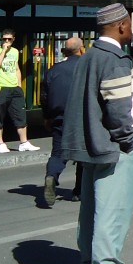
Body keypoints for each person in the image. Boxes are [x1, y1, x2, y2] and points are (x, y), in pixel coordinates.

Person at [60, 3, 133, 264]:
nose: (132, 30)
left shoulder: (89, 57)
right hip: (112, 147)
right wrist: (128, 141)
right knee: (113, 210)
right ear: (121, 26)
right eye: (132, 24)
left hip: (88, 146)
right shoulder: (116, 59)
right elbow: (119, 111)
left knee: (91, 209)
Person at [42, 37, 85, 207]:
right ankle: (78, 191)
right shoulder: (87, 68)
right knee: (82, 155)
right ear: (81, 49)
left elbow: (44, 97)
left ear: (64, 52)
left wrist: (47, 117)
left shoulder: (53, 70)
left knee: (58, 152)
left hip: (59, 118)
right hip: (82, 119)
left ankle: (51, 175)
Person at [0, 29, 40, 154]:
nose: (6, 41)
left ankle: (24, 142)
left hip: (14, 88)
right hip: (1, 87)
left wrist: (18, 84)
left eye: (9, 39)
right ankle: (0, 143)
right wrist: (4, 51)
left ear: (13, 39)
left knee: (20, 115)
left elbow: (16, 68)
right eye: (4, 39)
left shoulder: (15, 51)